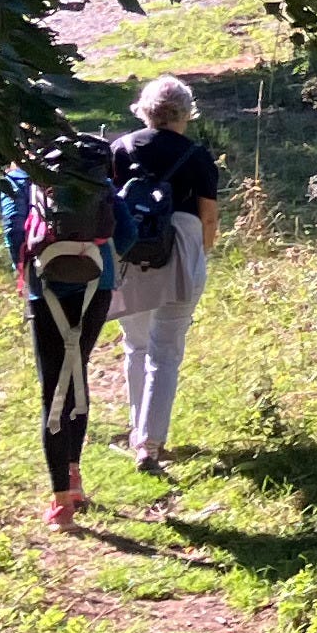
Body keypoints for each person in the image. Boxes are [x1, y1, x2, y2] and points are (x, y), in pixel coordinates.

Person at [0, 136, 120, 531]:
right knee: (77, 370)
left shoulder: (20, 177)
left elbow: (13, 232)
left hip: (46, 287)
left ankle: (60, 505)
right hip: (96, 286)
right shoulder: (90, 171)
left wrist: (33, 270)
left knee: (53, 385)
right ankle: (74, 476)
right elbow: (128, 230)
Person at [105, 75, 226, 468]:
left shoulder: (119, 149)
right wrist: (201, 254)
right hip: (182, 248)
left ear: (144, 110)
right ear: (186, 112)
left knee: (135, 344)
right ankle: (151, 445)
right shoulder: (195, 154)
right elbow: (208, 217)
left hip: (129, 252)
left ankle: (137, 431)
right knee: (166, 351)